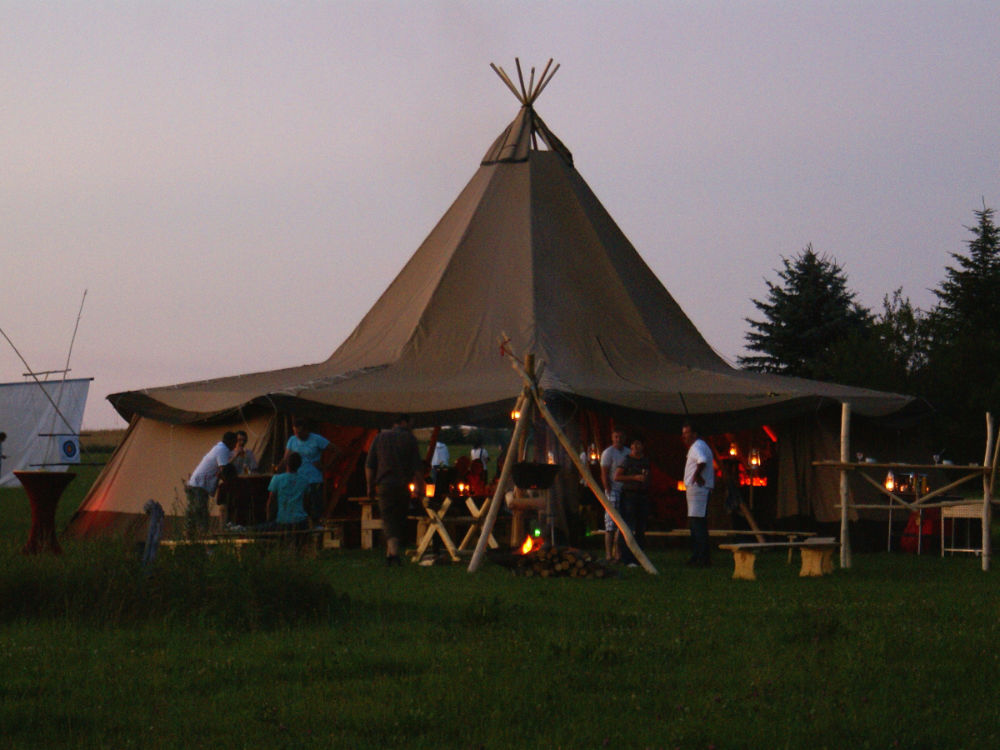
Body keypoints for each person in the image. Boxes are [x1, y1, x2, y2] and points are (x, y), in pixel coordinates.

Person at [365, 414, 424, 566]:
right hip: (402, 485)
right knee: (398, 518)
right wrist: (419, 487)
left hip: (384, 484)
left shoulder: (380, 438)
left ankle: (392, 554)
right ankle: (393, 554)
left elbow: (370, 465)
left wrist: (370, 486)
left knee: (388, 518)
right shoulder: (410, 439)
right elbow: (417, 467)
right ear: (404, 421)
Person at [276, 418, 335, 526]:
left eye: (299, 432)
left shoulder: (317, 439)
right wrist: (278, 470)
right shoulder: (292, 440)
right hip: (298, 479)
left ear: (306, 430)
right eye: (295, 432)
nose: (297, 435)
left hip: (313, 479)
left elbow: (336, 450)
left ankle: (317, 528)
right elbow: (286, 458)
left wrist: (326, 466)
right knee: (301, 507)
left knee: (315, 508)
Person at [185, 431, 238, 538]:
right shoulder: (223, 449)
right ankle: (203, 535)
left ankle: (189, 534)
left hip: (196, 482)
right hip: (200, 484)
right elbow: (224, 469)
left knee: (193, 510)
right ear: (231, 442)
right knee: (201, 510)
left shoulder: (220, 448)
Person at [682, 422, 715, 567]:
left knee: (697, 524)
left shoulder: (697, 447)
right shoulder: (701, 446)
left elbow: (702, 460)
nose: (684, 437)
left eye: (686, 433)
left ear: (694, 434)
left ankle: (701, 557)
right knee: (697, 523)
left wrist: (696, 475)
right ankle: (699, 555)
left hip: (697, 489)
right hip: (699, 489)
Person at [615, 438, 651, 567]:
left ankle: (639, 556)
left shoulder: (645, 461)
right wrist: (633, 478)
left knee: (640, 527)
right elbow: (617, 476)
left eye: (638, 444)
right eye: (633, 444)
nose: (636, 447)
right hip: (629, 495)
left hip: (642, 495)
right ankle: (627, 557)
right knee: (628, 526)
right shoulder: (627, 460)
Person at [599, 430, 630, 561]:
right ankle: (608, 554)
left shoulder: (628, 452)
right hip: (613, 490)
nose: (618, 439)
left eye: (621, 436)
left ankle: (618, 553)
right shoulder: (608, 453)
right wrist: (608, 490)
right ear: (612, 438)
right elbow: (604, 473)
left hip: (625, 491)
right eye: (616, 436)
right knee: (610, 524)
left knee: (621, 525)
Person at [266, 452, 310, 532]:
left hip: (283, 521)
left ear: (286, 464)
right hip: (300, 521)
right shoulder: (304, 481)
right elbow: (306, 502)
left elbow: (271, 501)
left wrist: (269, 519)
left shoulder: (277, 479)